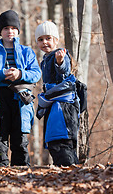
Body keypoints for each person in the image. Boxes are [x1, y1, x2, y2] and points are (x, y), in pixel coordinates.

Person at [0, 10, 41, 167]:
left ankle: (22, 177)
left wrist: (20, 74)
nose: (10, 31)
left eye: (13, 28)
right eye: (6, 28)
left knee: (20, 140)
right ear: (0, 31)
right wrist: (2, 73)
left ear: (18, 30)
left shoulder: (27, 52)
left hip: (21, 100)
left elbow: (36, 74)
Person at [35, 21, 80, 167]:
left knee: (60, 141)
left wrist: (60, 62)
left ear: (56, 40)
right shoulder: (45, 60)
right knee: (54, 142)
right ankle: (71, 171)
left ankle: (70, 171)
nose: (44, 42)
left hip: (63, 106)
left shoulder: (59, 55)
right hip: (53, 105)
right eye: (40, 39)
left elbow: (64, 71)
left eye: (48, 38)